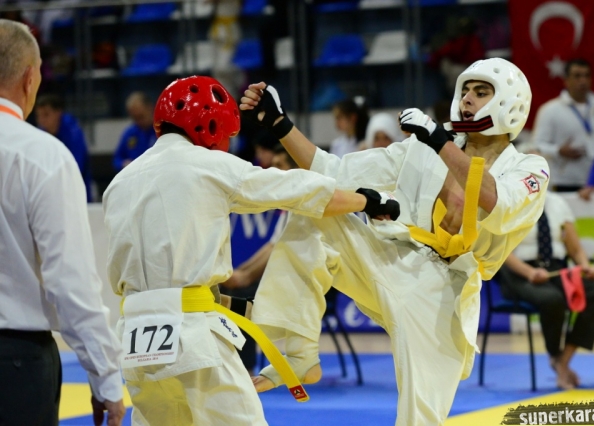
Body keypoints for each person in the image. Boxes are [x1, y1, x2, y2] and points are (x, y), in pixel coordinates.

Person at [240, 57, 549, 425]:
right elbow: (334, 171)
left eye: (481, 92)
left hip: (444, 294)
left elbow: (497, 201)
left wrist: (438, 141)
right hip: (393, 256)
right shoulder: (425, 146)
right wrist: (280, 123)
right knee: (312, 208)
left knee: (420, 418)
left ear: (511, 102)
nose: (467, 99)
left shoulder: (530, 168)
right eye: (465, 90)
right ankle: (299, 353)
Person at [102, 75, 400, 426]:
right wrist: (367, 200)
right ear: (210, 125)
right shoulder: (205, 165)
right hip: (192, 339)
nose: (226, 144)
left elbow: (159, 282)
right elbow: (300, 191)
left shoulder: (117, 184)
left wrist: (244, 307)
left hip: (134, 345)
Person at [0, 19, 125, 426]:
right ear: (30, 78)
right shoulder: (42, 157)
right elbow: (71, 281)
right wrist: (105, 376)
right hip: (14, 363)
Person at [499, 191, 594, 390]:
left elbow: (575, 248)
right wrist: (530, 272)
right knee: (552, 299)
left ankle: (563, 361)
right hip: (520, 273)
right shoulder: (508, 201)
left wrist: (585, 266)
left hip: (556, 269)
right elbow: (501, 251)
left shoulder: (558, 203)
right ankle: (555, 355)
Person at [221, 143, 298, 373]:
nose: (274, 171)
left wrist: (244, 278)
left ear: (296, 170)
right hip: (289, 278)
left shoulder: (304, 206)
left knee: (242, 298)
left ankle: (245, 370)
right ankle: (230, 365)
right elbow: (271, 246)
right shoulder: (289, 206)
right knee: (231, 290)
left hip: (305, 285)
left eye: (280, 165)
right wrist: (240, 272)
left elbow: (278, 252)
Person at [532, 59, 594, 192]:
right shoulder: (550, 110)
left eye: (586, 76)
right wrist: (558, 151)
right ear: (566, 80)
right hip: (566, 181)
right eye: (577, 76)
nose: (583, 80)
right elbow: (537, 146)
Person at [35, 93, 93, 201]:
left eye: (46, 115)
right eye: (39, 116)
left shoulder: (73, 132)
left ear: (58, 113)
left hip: (76, 189)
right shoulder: (40, 132)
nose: (41, 120)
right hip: (52, 188)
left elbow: (76, 167)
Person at [112, 91, 157, 171]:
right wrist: (124, 164)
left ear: (150, 108)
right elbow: (117, 160)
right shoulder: (129, 134)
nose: (139, 121)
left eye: (141, 117)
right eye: (135, 118)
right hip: (136, 175)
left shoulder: (162, 131)